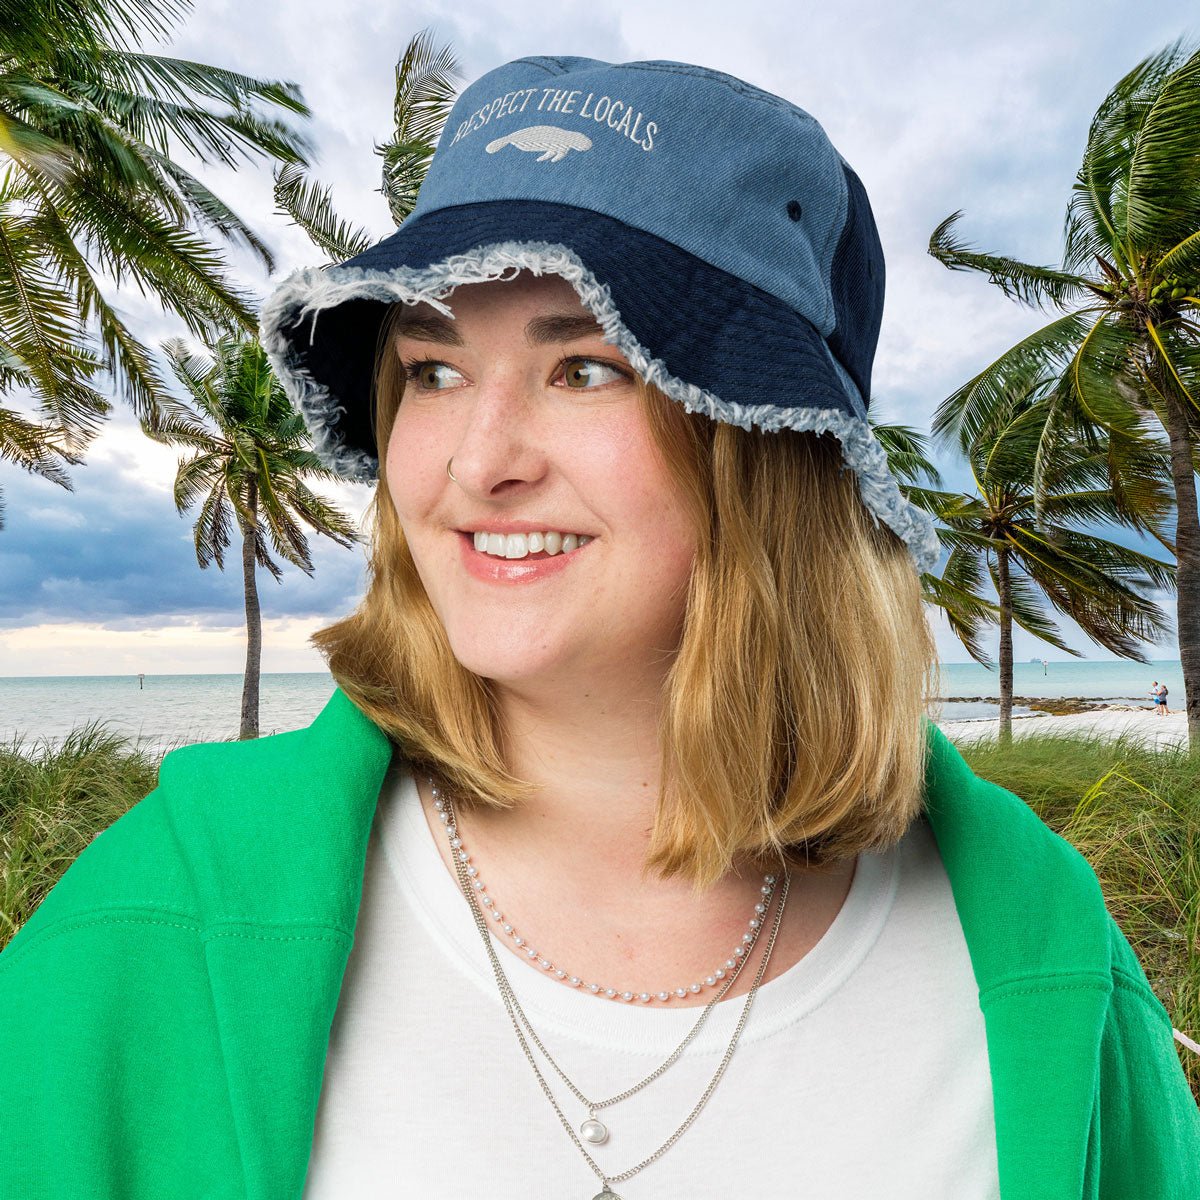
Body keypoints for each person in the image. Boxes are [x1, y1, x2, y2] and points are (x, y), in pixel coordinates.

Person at [1, 55, 1197, 1200]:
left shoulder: (1038, 954)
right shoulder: (160, 923)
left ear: (774, 445)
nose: (479, 462)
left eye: (584, 368)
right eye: (432, 369)